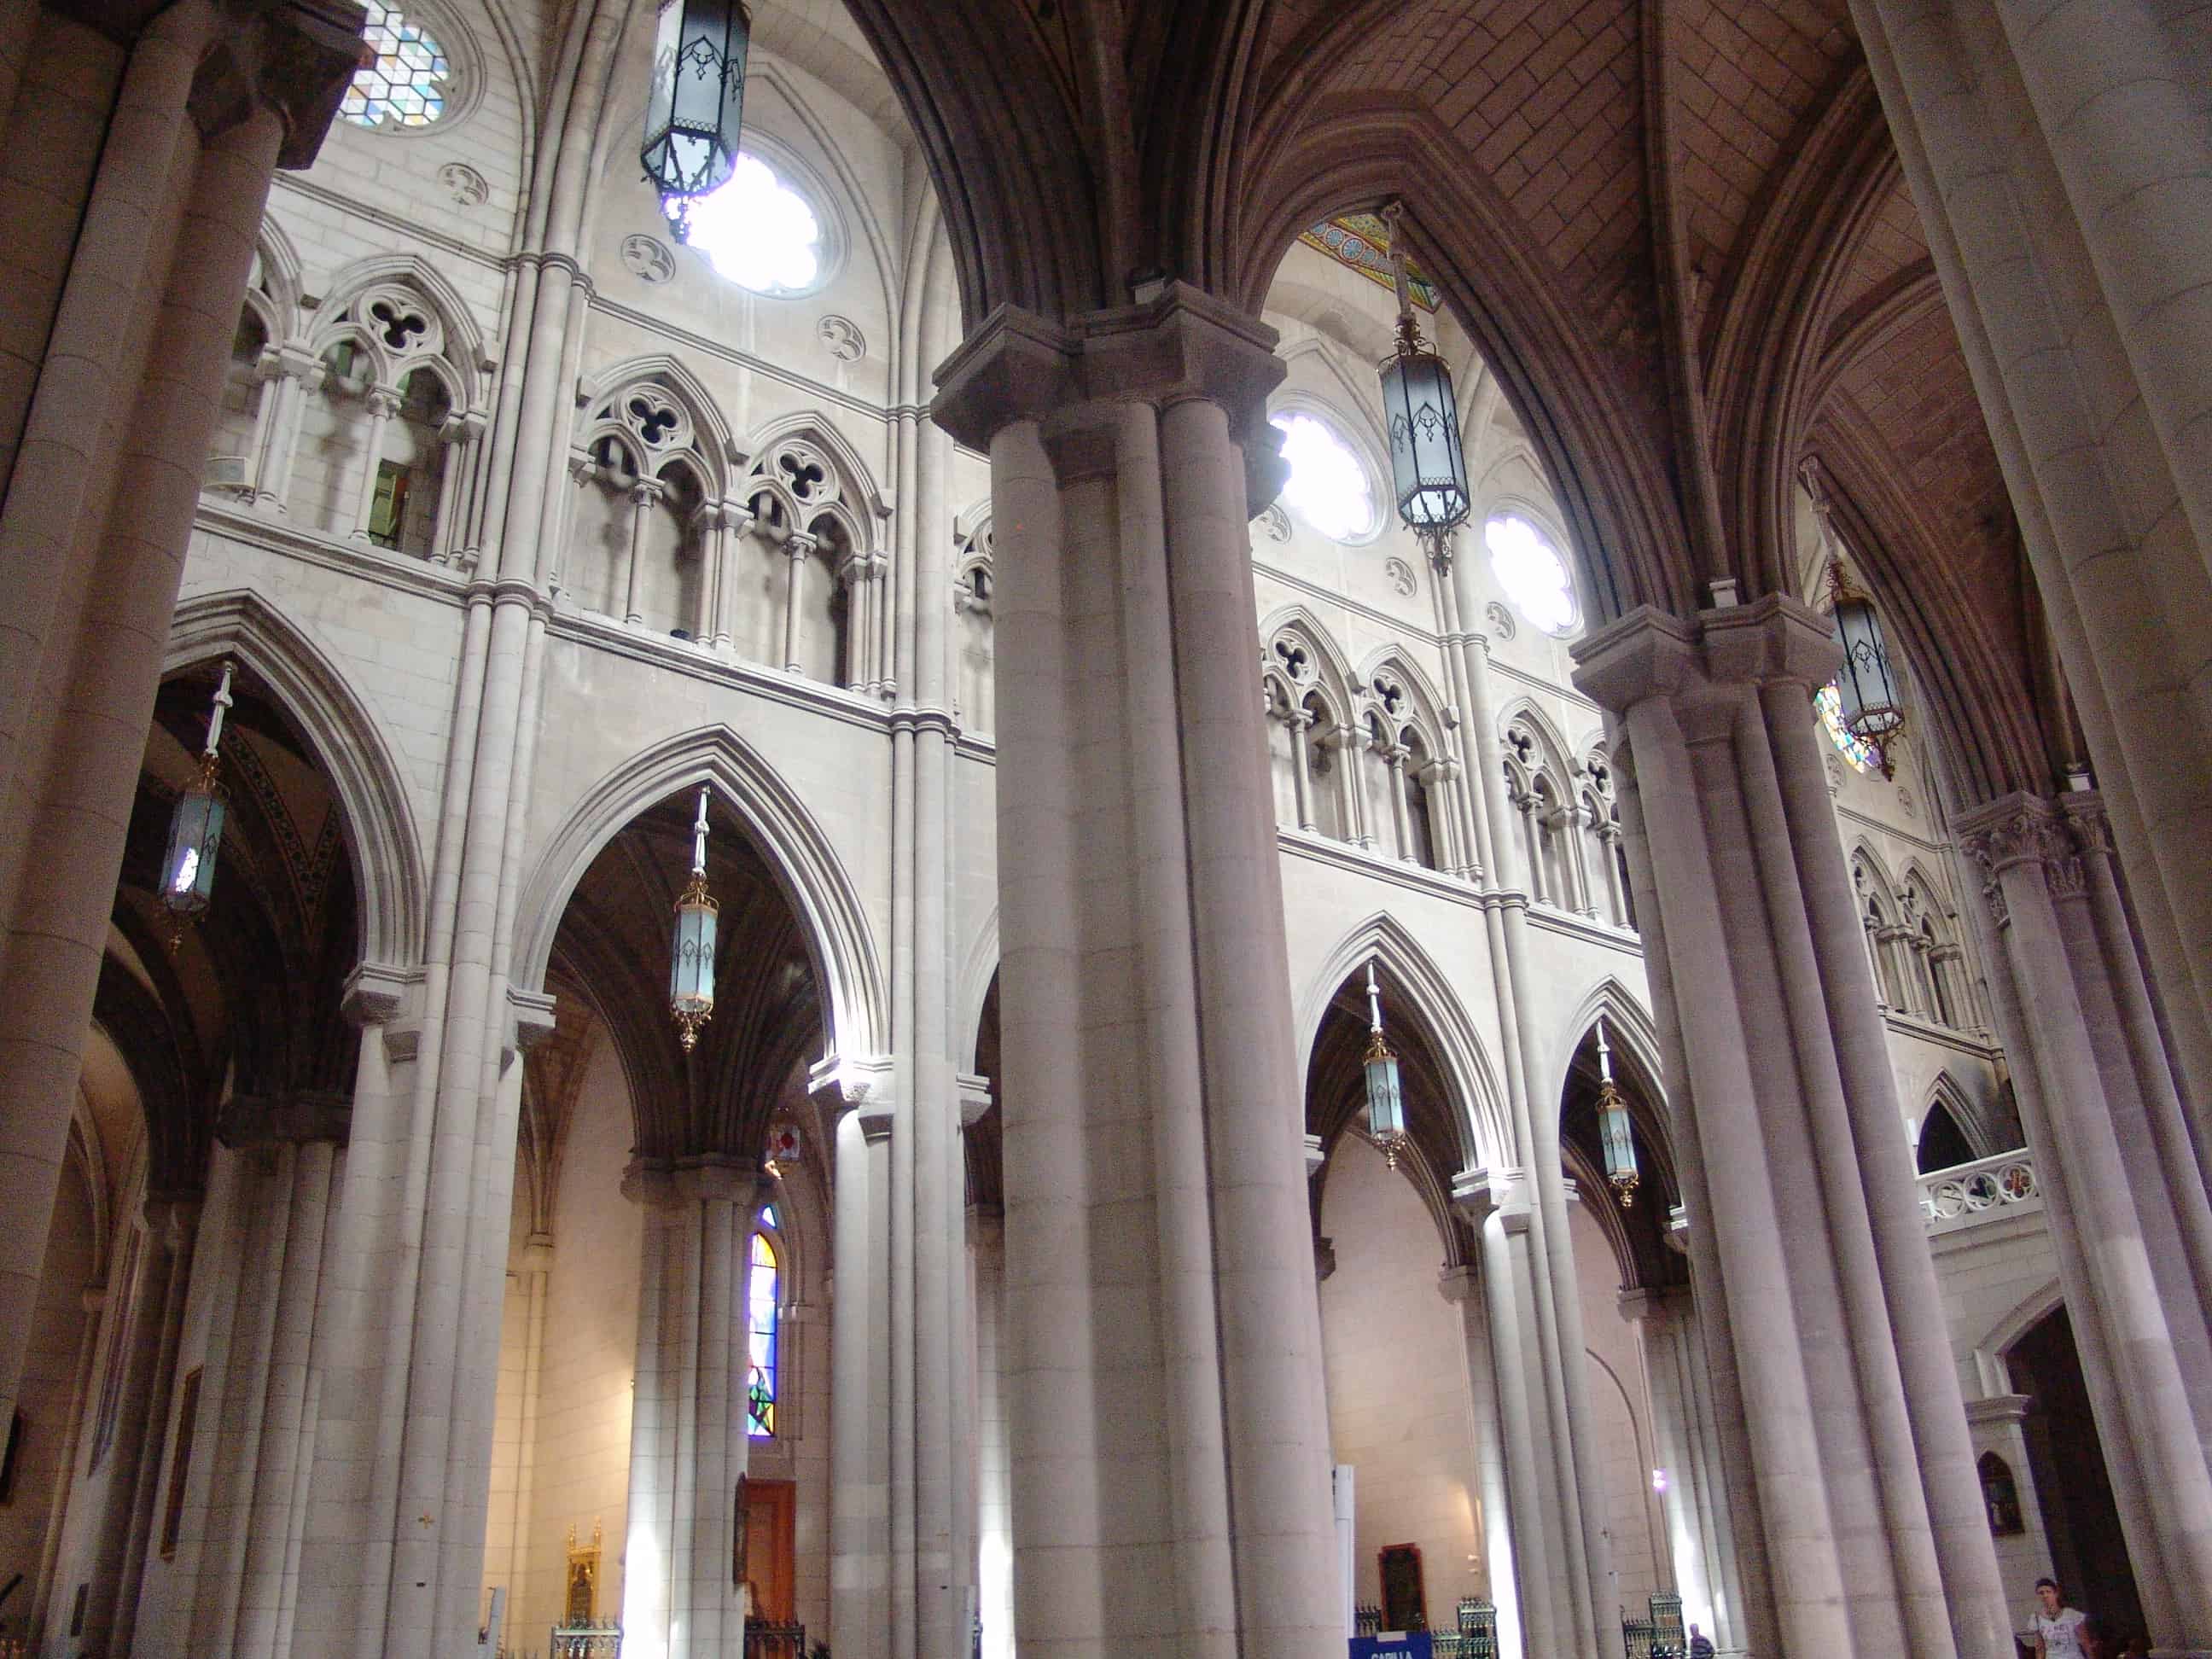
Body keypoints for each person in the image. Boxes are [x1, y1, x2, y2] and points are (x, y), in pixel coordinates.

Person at [2029, 1578, 2098, 1659]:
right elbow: (2040, 1648)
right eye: (2041, 1593)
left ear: (2056, 1594)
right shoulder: (2036, 1618)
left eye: (2048, 1592)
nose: (2045, 1596)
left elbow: (2085, 1642)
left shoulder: (2071, 1615)